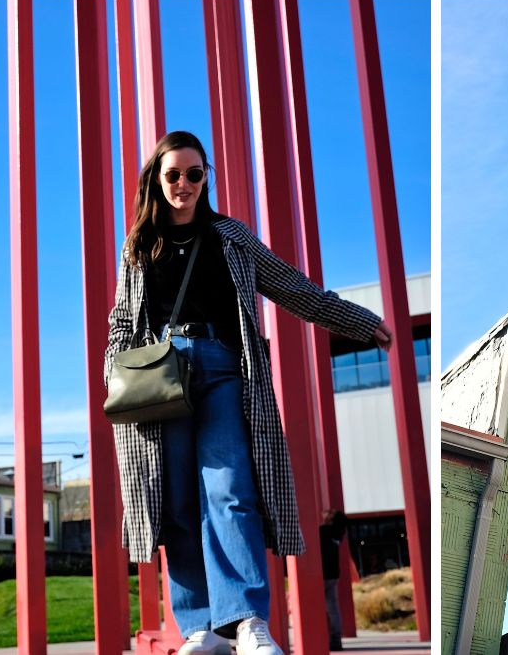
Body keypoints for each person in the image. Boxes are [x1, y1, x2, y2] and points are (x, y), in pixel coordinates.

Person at [105, 132, 389, 655]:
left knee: (229, 491)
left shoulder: (231, 236)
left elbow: (294, 288)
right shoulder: (140, 246)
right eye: (174, 175)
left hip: (223, 370)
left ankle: (246, 621)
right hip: (161, 376)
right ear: (157, 180)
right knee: (179, 505)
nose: (185, 184)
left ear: (206, 176)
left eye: (195, 173)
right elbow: (122, 321)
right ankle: (199, 630)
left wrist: (359, 322)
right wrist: (115, 375)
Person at [318, 508, 348, 650]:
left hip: (321, 574)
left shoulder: (322, 531)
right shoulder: (339, 533)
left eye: (327, 513)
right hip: (333, 574)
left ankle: (320, 638)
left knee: (317, 607)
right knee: (333, 608)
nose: (323, 513)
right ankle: (336, 640)